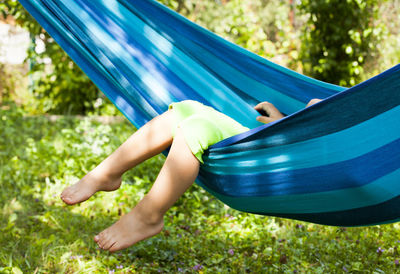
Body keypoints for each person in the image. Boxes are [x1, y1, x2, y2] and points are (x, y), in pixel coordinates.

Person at [60, 99, 322, 252]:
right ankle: (105, 174)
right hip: (269, 144)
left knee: (196, 127)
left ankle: (148, 216)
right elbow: (316, 116)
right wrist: (280, 120)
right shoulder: (356, 106)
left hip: (282, 161)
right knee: (186, 108)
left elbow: (323, 126)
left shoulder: (362, 109)